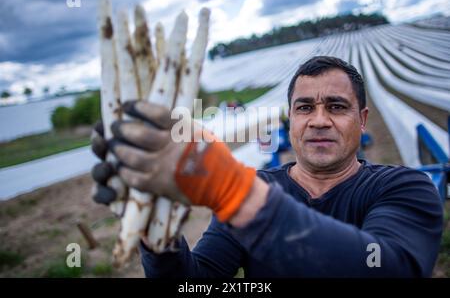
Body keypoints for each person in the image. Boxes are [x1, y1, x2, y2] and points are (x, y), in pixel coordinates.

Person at [91, 56, 443, 277]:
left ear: (362, 120)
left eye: (336, 107)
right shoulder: (261, 186)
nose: (319, 120)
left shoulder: (404, 187)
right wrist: (157, 231)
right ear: (290, 120)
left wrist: (234, 192)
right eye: (304, 108)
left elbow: (393, 269)